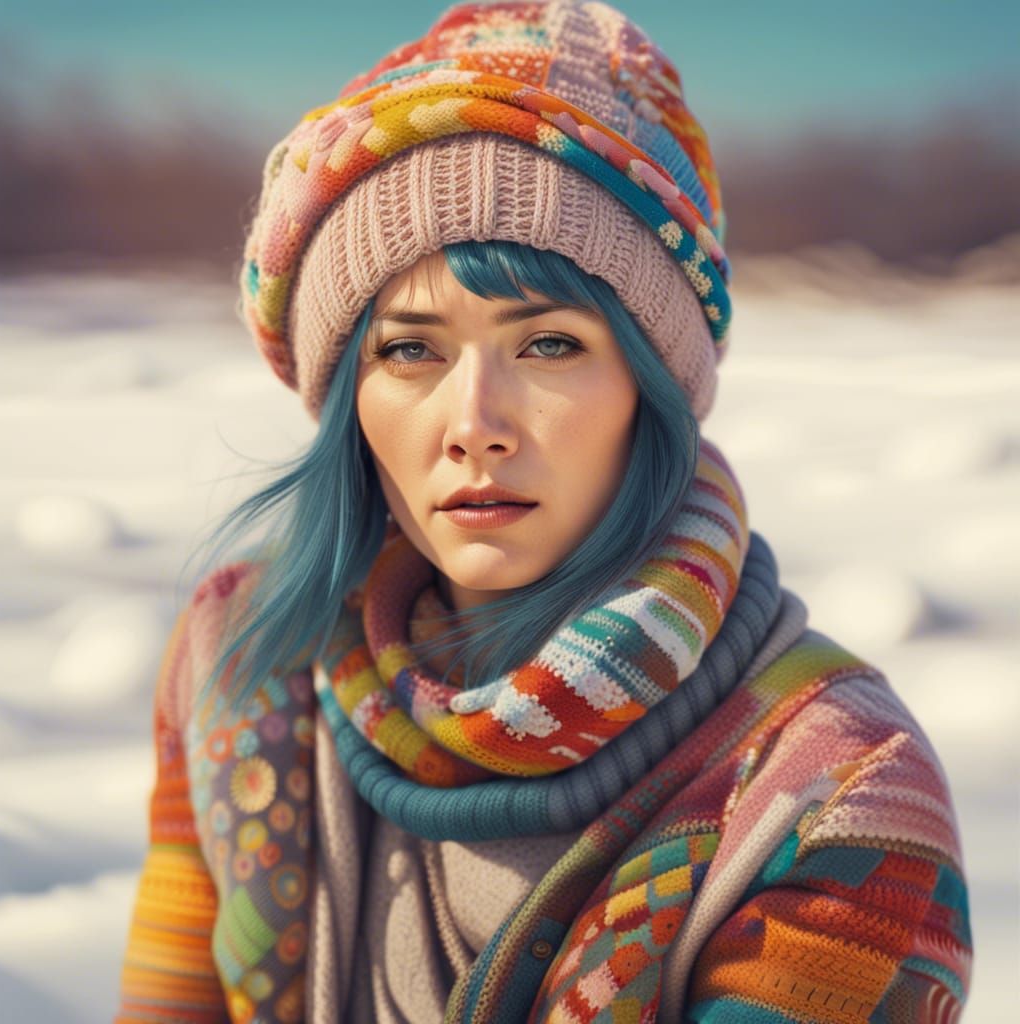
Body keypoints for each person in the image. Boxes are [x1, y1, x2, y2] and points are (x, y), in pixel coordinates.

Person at [115, 2, 972, 1021]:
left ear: (646, 387)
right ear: (348, 399)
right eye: (409, 349)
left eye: (548, 344)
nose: (473, 422)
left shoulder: (835, 790)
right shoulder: (242, 668)